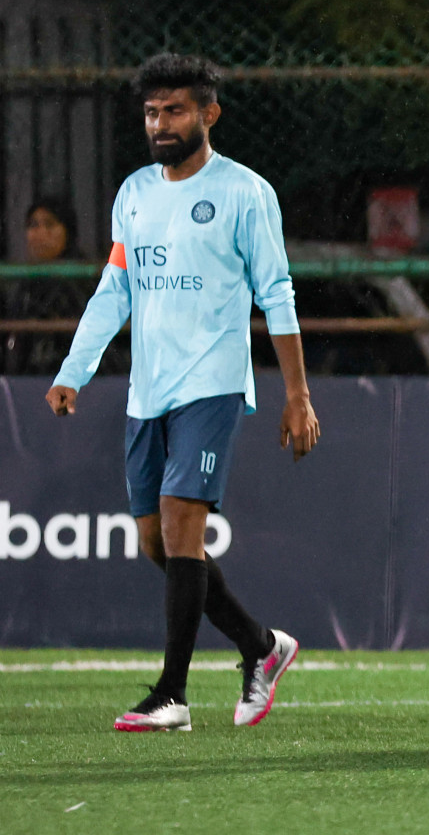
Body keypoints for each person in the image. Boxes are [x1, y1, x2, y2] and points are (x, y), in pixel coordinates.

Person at [46, 53, 321, 733]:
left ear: (208, 114)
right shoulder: (134, 193)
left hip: (213, 385)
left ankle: (171, 694)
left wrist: (297, 394)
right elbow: (116, 289)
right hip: (149, 393)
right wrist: (73, 371)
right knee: (156, 544)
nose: (159, 124)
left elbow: (276, 293)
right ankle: (262, 646)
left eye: (173, 111)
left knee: (179, 521)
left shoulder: (245, 193)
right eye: (150, 112)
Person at [5, 198, 92, 375]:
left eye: (50, 225)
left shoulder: (82, 279)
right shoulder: (26, 281)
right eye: (33, 225)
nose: (40, 233)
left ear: (68, 231)